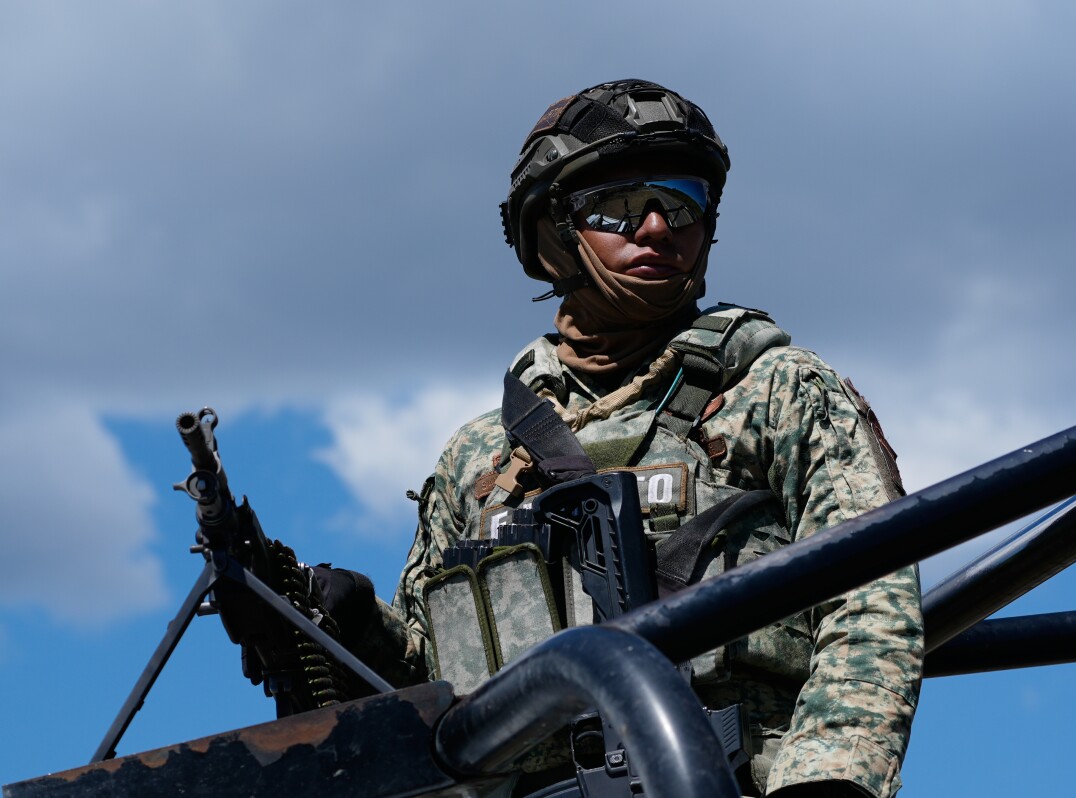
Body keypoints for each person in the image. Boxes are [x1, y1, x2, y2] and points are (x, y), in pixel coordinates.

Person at [332, 79, 922, 798]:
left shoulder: (779, 394)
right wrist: (348, 626)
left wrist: (827, 784)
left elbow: (872, 605)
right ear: (553, 232)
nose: (656, 229)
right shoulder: (478, 459)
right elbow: (434, 694)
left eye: (681, 202)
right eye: (617, 206)